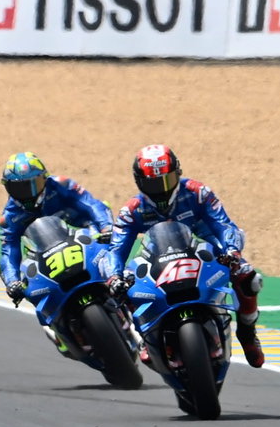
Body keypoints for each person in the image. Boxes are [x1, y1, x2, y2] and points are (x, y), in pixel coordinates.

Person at [103, 145, 263, 368]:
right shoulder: (132, 210)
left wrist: (231, 250)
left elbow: (224, 225)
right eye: (152, 184)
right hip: (154, 255)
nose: (160, 189)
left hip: (201, 244)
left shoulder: (198, 193)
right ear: (139, 182)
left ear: (177, 173)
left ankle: (247, 332)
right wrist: (114, 276)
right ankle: (145, 337)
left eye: (166, 181)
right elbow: (116, 250)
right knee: (120, 289)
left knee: (249, 278)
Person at [0, 151, 112, 301]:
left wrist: (105, 227)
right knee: (22, 282)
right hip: (43, 254)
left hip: (82, 235)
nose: (27, 193)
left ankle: (120, 284)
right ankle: (54, 315)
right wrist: (12, 281)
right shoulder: (9, 217)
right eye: (19, 188)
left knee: (110, 243)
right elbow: (9, 252)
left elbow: (91, 205)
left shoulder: (61, 184)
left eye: (33, 185)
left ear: (44, 178)